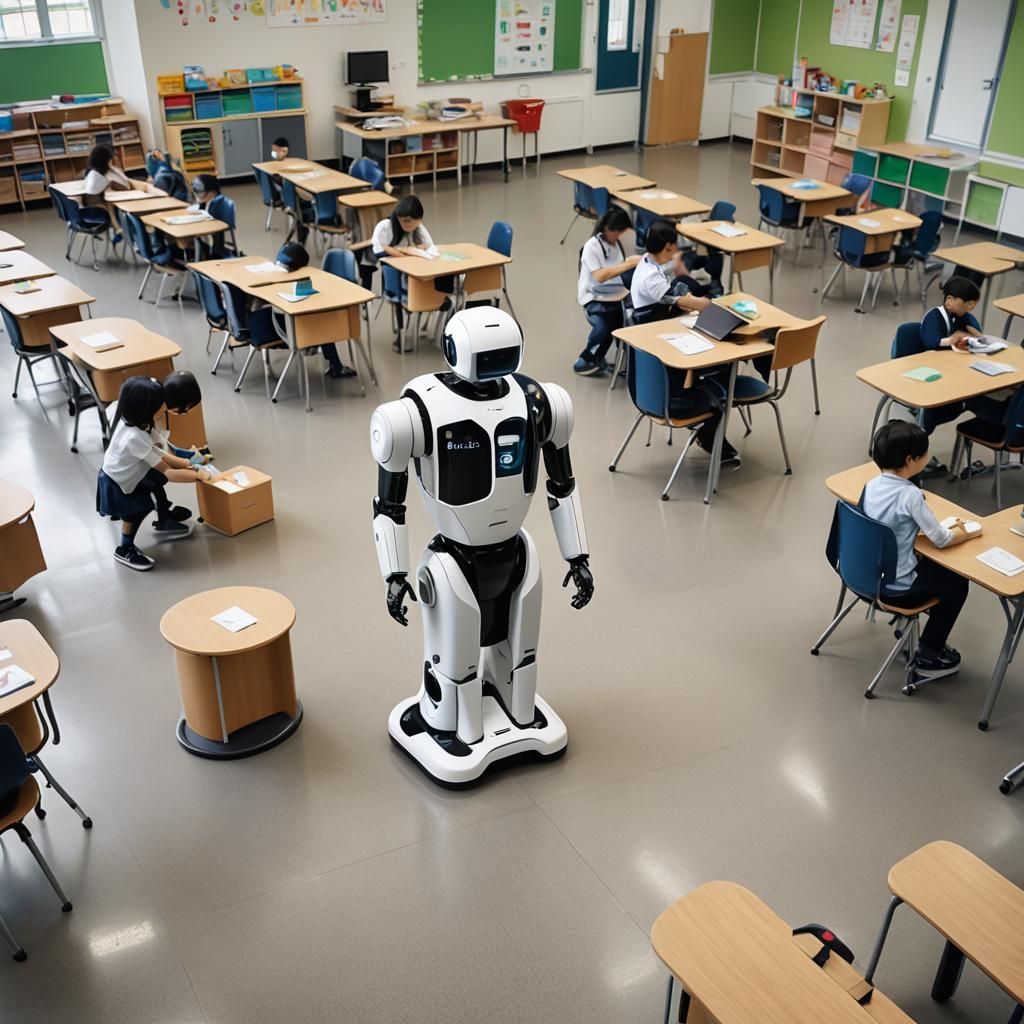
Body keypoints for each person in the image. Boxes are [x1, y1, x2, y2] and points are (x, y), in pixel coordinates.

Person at [862, 420, 974, 682]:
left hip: (872, 578)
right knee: (957, 585)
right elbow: (941, 539)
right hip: (899, 589)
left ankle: (914, 634)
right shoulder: (911, 495)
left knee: (937, 573)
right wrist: (966, 531)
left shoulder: (870, 486)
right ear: (911, 460)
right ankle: (928, 654)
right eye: (925, 454)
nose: (927, 457)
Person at [629, 221, 739, 465]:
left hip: (654, 337)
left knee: (689, 289)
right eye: (672, 249)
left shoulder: (647, 262)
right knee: (717, 371)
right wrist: (715, 305)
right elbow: (682, 299)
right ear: (666, 247)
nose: (674, 253)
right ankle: (709, 436)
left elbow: (675, 285)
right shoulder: (650, 279)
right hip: (658, 338)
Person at [96, 377, 213, 572]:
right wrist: (200, 475)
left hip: (136, 471)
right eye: (160, 402)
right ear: (146, 408)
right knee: (136, 511)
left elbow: (163, 454)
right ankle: (124, 548)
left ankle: (165, 517)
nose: (165, 404)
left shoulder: (140, 423)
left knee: (156, 484)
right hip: (119, 482)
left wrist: (193, 461)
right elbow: (169, 472)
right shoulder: (134, 437)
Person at [262, 241, 356, 379]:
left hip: (277, 324)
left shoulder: (271, 276)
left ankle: (328, 359)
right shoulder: (297, 283)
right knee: (322, 322)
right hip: (292, 331)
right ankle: (335, 365)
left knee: (319, 319)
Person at [371, 194, 452, 350]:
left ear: (419, 219)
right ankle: (402, 333)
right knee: (404, 295)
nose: (407, 224)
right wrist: (398, 252)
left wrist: (416, 250)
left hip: (418, 276)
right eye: (403, 220)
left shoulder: (419, 228)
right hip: (396, 280)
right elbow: (378, 250)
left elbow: (430, 247)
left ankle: (436, 316)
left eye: (411, 221)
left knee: (446, 286)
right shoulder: (385, 226)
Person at [574, 207, 641, 376]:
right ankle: (587, 359)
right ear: (607, 229)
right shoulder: (592, 246)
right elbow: (600, 276)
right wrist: (628, 264)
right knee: (604, 328)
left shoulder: (616, 243)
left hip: (615, 295)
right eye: (617, 232)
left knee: (631, 321)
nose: (618, 236)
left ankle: (623, 362)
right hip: (594, 297)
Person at [630, 220, 712, 324]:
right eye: (674, 248)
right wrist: (712, 304)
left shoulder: (647, 258)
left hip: (656, 308)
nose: (675, 253)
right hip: (651, 322)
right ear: (667, 247)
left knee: (684, 282)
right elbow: (698, 304)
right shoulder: (652, 278)